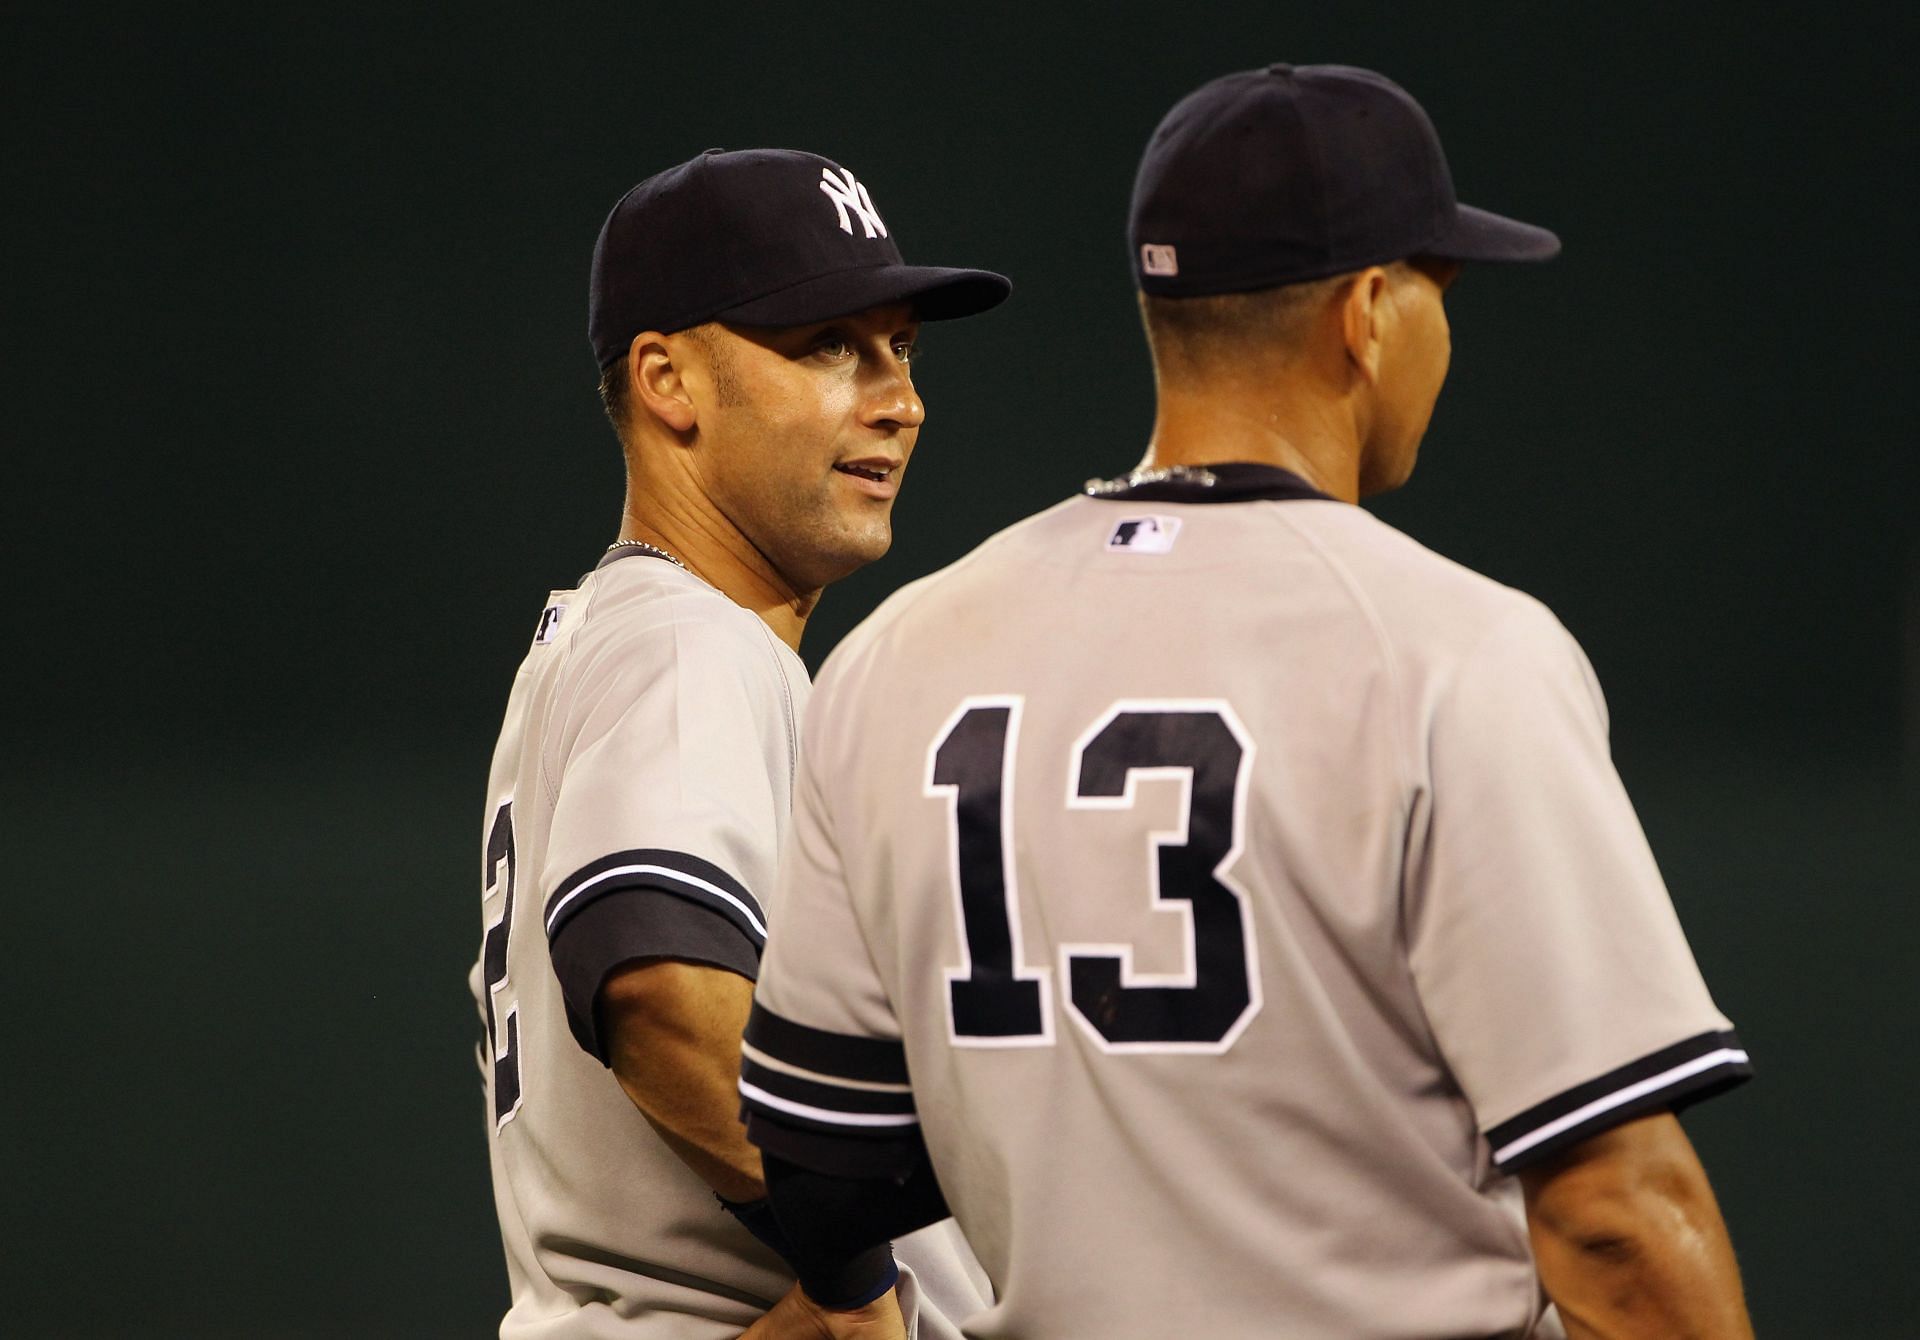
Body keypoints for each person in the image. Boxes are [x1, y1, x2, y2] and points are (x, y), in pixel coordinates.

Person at [737, 65, 1756, 1338]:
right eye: (1441, 288)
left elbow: (826, 1173)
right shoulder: (1456, 649)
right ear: (1370, 313)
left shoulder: (899, 655)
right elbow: (1615, 1214)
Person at [471, 147, 1008, 1339]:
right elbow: (656, 984)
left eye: (902, 347)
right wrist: (860, 1292)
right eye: (830, 345)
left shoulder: (616, 642)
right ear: (668, 378)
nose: (898, 398)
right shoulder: (685, 646)